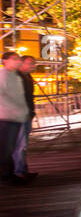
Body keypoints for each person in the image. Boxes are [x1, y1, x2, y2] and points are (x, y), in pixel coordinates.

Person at [1, 52, 32, 185]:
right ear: (5, 61)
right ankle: (7, 176)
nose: (17, 61)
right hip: (7, 117)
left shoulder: (15, 76)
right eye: (14, 59)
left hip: (17, 116)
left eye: (18, 59)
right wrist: (16, 109)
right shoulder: (3, 76)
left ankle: (15, 173)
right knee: (7, 148)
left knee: (16, 146)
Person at [12, 55, 37, 179]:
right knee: (20, 144)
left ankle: (23, 169)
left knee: (23, 144)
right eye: (30, 63)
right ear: (21, 64)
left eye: (34, 63)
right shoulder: (16, 77)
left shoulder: (26, 76)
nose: (33, 65)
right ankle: (19, 171)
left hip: (27, 113)